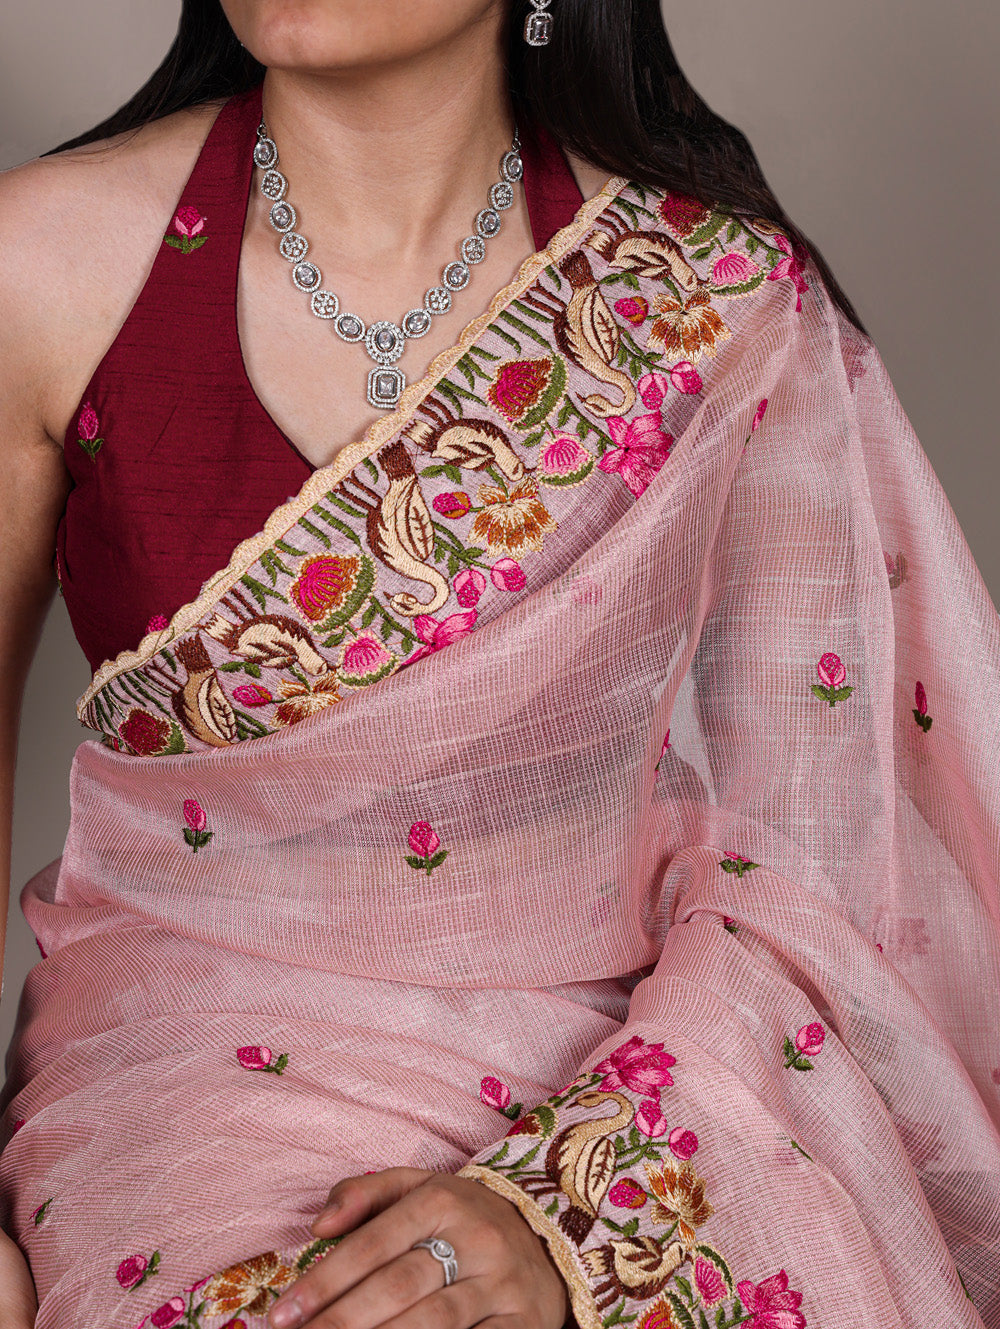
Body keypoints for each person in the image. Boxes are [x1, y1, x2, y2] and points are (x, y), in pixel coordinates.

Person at [1, 1, 998, 1326]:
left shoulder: (708, 300)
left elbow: (816, 858)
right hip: (170, 1083)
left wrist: (570, 1212)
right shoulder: (44, 266)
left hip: (620, 1077)